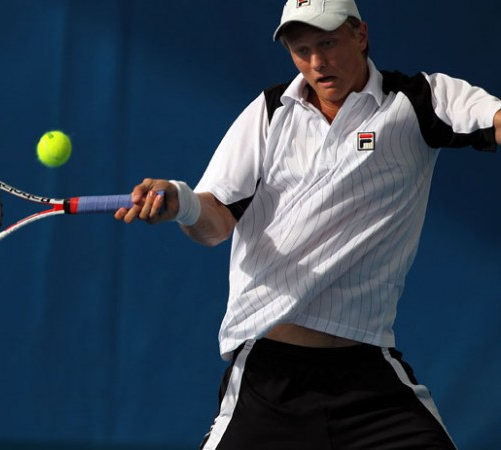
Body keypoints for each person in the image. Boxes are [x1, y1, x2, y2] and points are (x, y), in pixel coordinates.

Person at [115, 0, 501, 448]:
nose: (317, 62)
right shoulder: (270, 111)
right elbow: (215, 221)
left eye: (328, 43)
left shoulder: (418, 100)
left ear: (360, 35)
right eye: (302, 50)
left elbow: (492, 119)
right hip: (270, 376)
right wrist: (181, 203)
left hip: (368, 374)